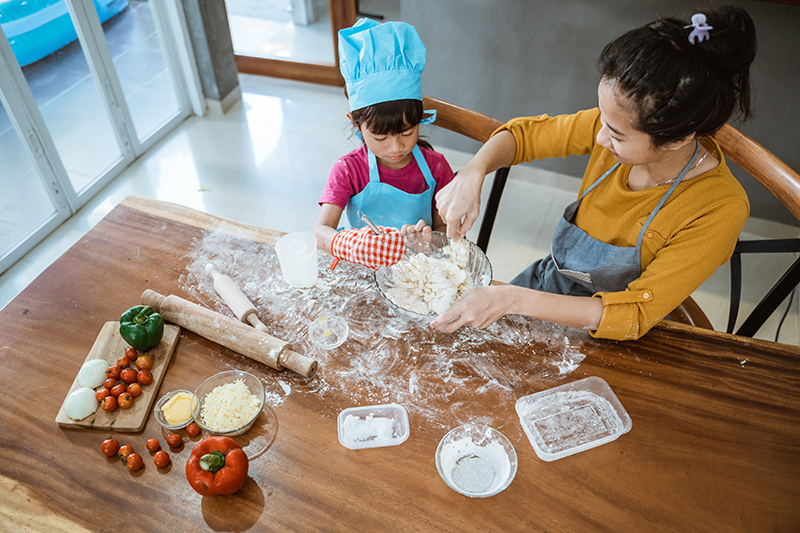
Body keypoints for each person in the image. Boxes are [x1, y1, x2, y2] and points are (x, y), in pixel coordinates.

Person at [430, 6, 757, 341]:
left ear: (679, 138)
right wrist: (473, 172)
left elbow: (635, 313)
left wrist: (514, 299)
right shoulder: (614, 124)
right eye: (602, 119)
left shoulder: (719, 208)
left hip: (611, 334)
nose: (600, 138)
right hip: (548, 284)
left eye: (616, 135)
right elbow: (522, 137)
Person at [315, 19, 455, 270]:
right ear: (356, 125)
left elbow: (446, 230)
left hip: (417, 271)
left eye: (407, 131)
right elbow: (320, 232)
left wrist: (430, 242)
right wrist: (351, 243)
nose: (395, 147)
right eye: (380, 138)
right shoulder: (348, 170)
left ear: (419, 119)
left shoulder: (436, 168)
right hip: (361, 270)